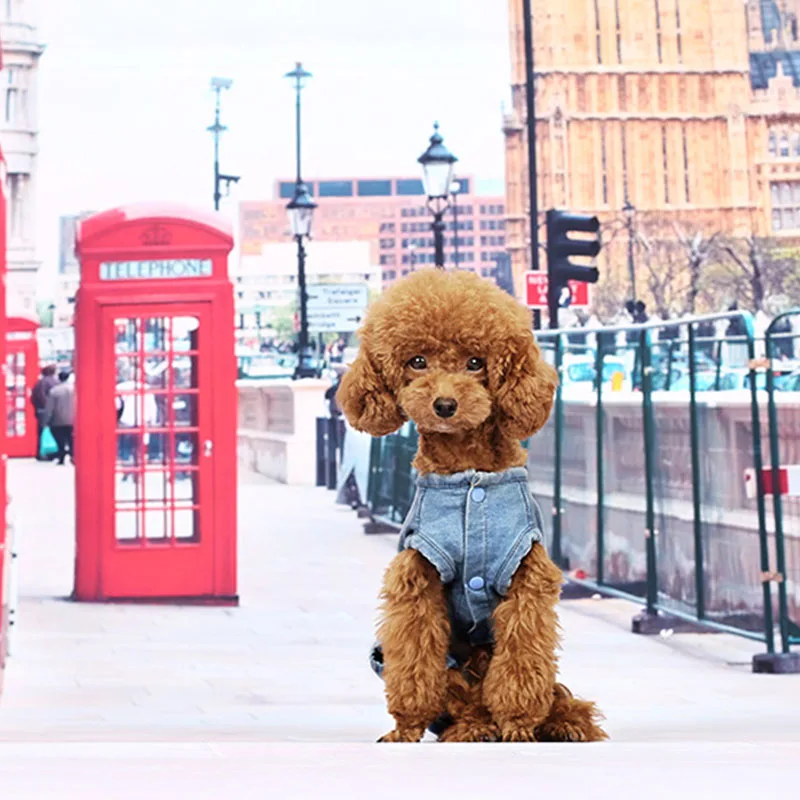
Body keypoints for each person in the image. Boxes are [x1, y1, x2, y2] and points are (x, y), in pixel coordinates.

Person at [44, 370, 75, 465]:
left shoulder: (54, 391)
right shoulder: (74, 389)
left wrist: (46, 420)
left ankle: (62, 456)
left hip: (58, 419)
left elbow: (49, 407)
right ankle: (73, 455)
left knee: (59, 439)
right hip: (73, 419)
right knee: (71, 439)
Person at [30, 365, 58, 460]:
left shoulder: (39, 382)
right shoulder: (54, 382)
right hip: (50, 410)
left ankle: (41, 452)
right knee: (54, 432)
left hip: (41, 410)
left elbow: (34, 397)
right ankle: (52, 452)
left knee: (42, 432)